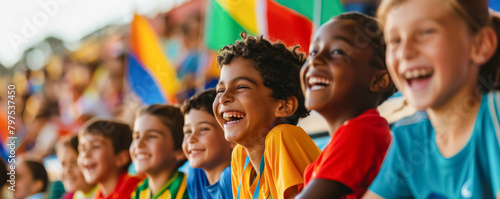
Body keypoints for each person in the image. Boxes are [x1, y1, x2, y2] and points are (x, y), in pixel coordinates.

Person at [364, 0, 500, 198]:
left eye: (426, 32)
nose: (405, 52)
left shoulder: (495, 118)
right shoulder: (410, 138)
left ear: (480, 45)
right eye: (394, 41)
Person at [296, 12, 394, 199]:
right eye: (313, 52)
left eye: (337, 52)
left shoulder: (361, 131)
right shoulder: (342, 141)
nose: (315, 60)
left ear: (379, 80)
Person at [214, 32, 321, 199]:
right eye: (220, 90)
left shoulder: (282, 136)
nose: (223, 97)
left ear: (284, 106)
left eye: (241, 87)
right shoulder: (240, 157)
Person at [181, 89, 234, 199]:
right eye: (188, 131)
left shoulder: (233, 178)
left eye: (204, 129)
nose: (191, 138)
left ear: (232, 138)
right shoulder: (196, 174)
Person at [130, 104, 188, 199]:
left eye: (151, 136)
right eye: (136, 137)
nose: (139, 144)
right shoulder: (140, 191)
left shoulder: (186, 188)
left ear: (179, 151)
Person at [77, 118, 142, 199]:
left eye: (95, 146)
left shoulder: (134, 188)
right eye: (82, 149)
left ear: (121, 158)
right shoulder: (100, 194)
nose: (86, 154)